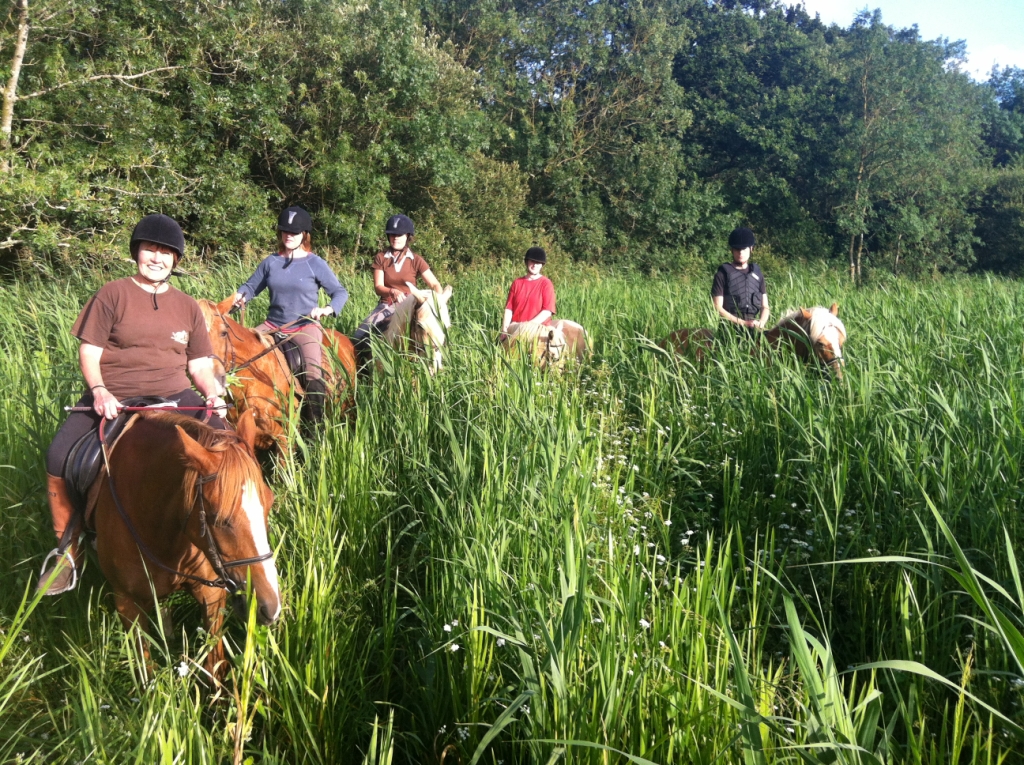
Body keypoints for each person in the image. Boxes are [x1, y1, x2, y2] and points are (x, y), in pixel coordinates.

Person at [38, 214, 229, 595]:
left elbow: (198, 364)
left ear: (176, 259)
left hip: (175, 395)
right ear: (136, 252)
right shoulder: (112, 294)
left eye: (165, 252)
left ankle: (239, 536)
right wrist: (99, 390)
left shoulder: (187, 306)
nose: (157, 258)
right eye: (149, 249)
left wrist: (212, 392)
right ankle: (67, 550)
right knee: (58, 455)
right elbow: (90, 352)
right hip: (117, 396)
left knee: (229, 446)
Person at [230, 206, 348, 422]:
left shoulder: (315, 263)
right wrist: (239, 297)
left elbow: (340, 292)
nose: (289, 235)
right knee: (239, 356)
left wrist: (327, 309)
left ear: (304, 234)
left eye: (294, 232)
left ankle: (315, 427)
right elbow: (251, 287)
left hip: (304, 325)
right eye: (285, 231)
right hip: (272, 325)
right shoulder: (271, 262)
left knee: (312, 372)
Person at [353, 214, 443, 367]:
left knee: (433, 334)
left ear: (408, 236)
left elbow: (435, 285)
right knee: (359, 335)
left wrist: (435, 303)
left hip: (410, 308)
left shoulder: (416, 260)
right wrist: (392, 292)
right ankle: (359, 371)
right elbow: (378, 287)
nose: (395, 238)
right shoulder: (381, 257)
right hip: (387, 305)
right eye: (392, 235)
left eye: (399, 235)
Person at [711, 227, 769, 334]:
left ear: (751, 249)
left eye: (744, 249)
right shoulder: (722, 274)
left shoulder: (758, 274)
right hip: (729, 330)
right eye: (737, 249)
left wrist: (761, 322)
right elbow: (717, 307)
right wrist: (742, 323)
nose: (741, 253)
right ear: (732, 250)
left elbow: (765, 307)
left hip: (754, 327)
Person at [500, 247, 556, 340]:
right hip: (517, 328)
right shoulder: (517, 283)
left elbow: (547, 311)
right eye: (532, 261)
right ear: (527, 262)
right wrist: (504, 330)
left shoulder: (546, 283)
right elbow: (509, 309)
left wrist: (528, 327)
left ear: (542, 265)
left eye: (538, 262)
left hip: (538, 329)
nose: (535, 265)